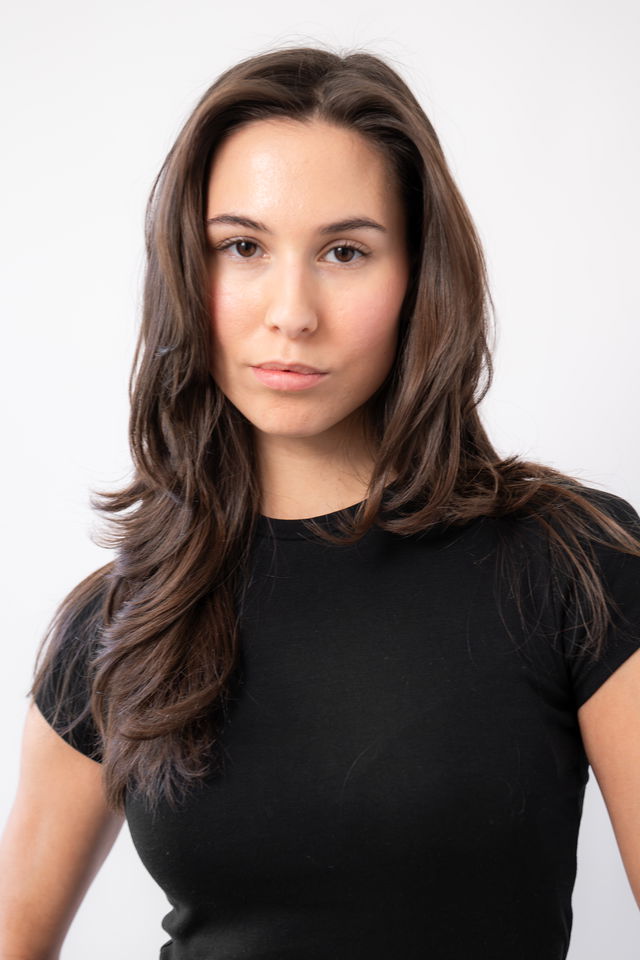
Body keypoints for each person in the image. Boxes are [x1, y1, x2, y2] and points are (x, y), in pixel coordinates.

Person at [1, 43, 639, 960]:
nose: (292, 312)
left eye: (345, 252)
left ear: (419, 275)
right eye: (243, 247)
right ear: (186, 270)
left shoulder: (576, 562)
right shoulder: (125, 621)